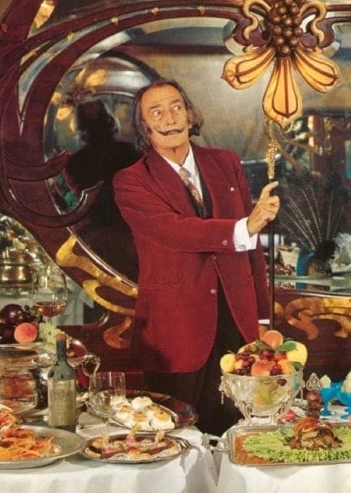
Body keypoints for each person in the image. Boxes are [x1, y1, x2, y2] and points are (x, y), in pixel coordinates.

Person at [113, 79, 279, 435]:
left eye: (176, 106)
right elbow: (174, 231)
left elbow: (251, 246)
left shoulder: (225, 163)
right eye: (156, 111)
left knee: (239, 430)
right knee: (174, 439)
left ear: (190, 115)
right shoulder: (130, 181)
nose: (169, 117)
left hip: (236, 323)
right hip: (176, 330)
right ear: (144, 127)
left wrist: (262, 316)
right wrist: (243, 226)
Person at [65, 99, 140, 281]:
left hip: (96, 235)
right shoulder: (128, 151)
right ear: (109, 121)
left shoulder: (74, 162)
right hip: (123, 233)